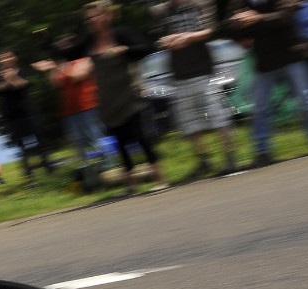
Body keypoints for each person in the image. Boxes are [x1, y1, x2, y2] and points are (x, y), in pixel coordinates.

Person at [226, 0, 308, 168]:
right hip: (265, 63)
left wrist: (257, 19)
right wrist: (239, 22)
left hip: (292, 55)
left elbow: (285, 16)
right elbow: (232, 29)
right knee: (259, 108)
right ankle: (263, 152)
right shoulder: (240, 2)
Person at [84, 1, 169, 193]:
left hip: (130, 95)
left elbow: (146, 47)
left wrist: (125, 50)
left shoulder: (121, 34)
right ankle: (132, 184)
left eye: (95, 16)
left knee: (141, 137)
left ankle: (159, 178)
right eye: (89, 18)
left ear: (107, 15)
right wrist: (48, 45)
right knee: (120, 142)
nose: (92, 20)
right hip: (108, 99)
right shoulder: (90, 41)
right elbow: (70, 53)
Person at [151, 0, 239, 180]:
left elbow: (211, 30)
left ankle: (231, 158)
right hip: (179, 74)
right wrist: (165, 41)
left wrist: (188, 37)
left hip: (204, 71)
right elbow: (159, 39)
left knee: (218, 116)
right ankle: (204, 161)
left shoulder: (200, 4)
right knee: (189, 123)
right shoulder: (160, 11)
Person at [33, 36, 107, 167]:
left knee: (95, 137)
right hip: (69, 111)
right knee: (77, 142)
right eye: (60, 46)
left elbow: (76, 76)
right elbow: (55, 83)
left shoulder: (84, 60)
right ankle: (87, 169)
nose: (62, 49)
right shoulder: (62, 65)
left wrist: (56, 66)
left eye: (65, 45)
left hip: (88, 106)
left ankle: (107, 164)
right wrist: (52, 69)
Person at [0, 50, 54, 178]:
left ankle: (49, 166)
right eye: (1, 58)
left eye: (7, 57)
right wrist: (6, 82)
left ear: (14, 58)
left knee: (41, 141)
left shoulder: (22, 71)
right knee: (21, 146)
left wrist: (10, 79)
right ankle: (28, 172)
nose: (4, 60)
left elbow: (24, 84)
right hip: (12, 115)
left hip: (28, 111)